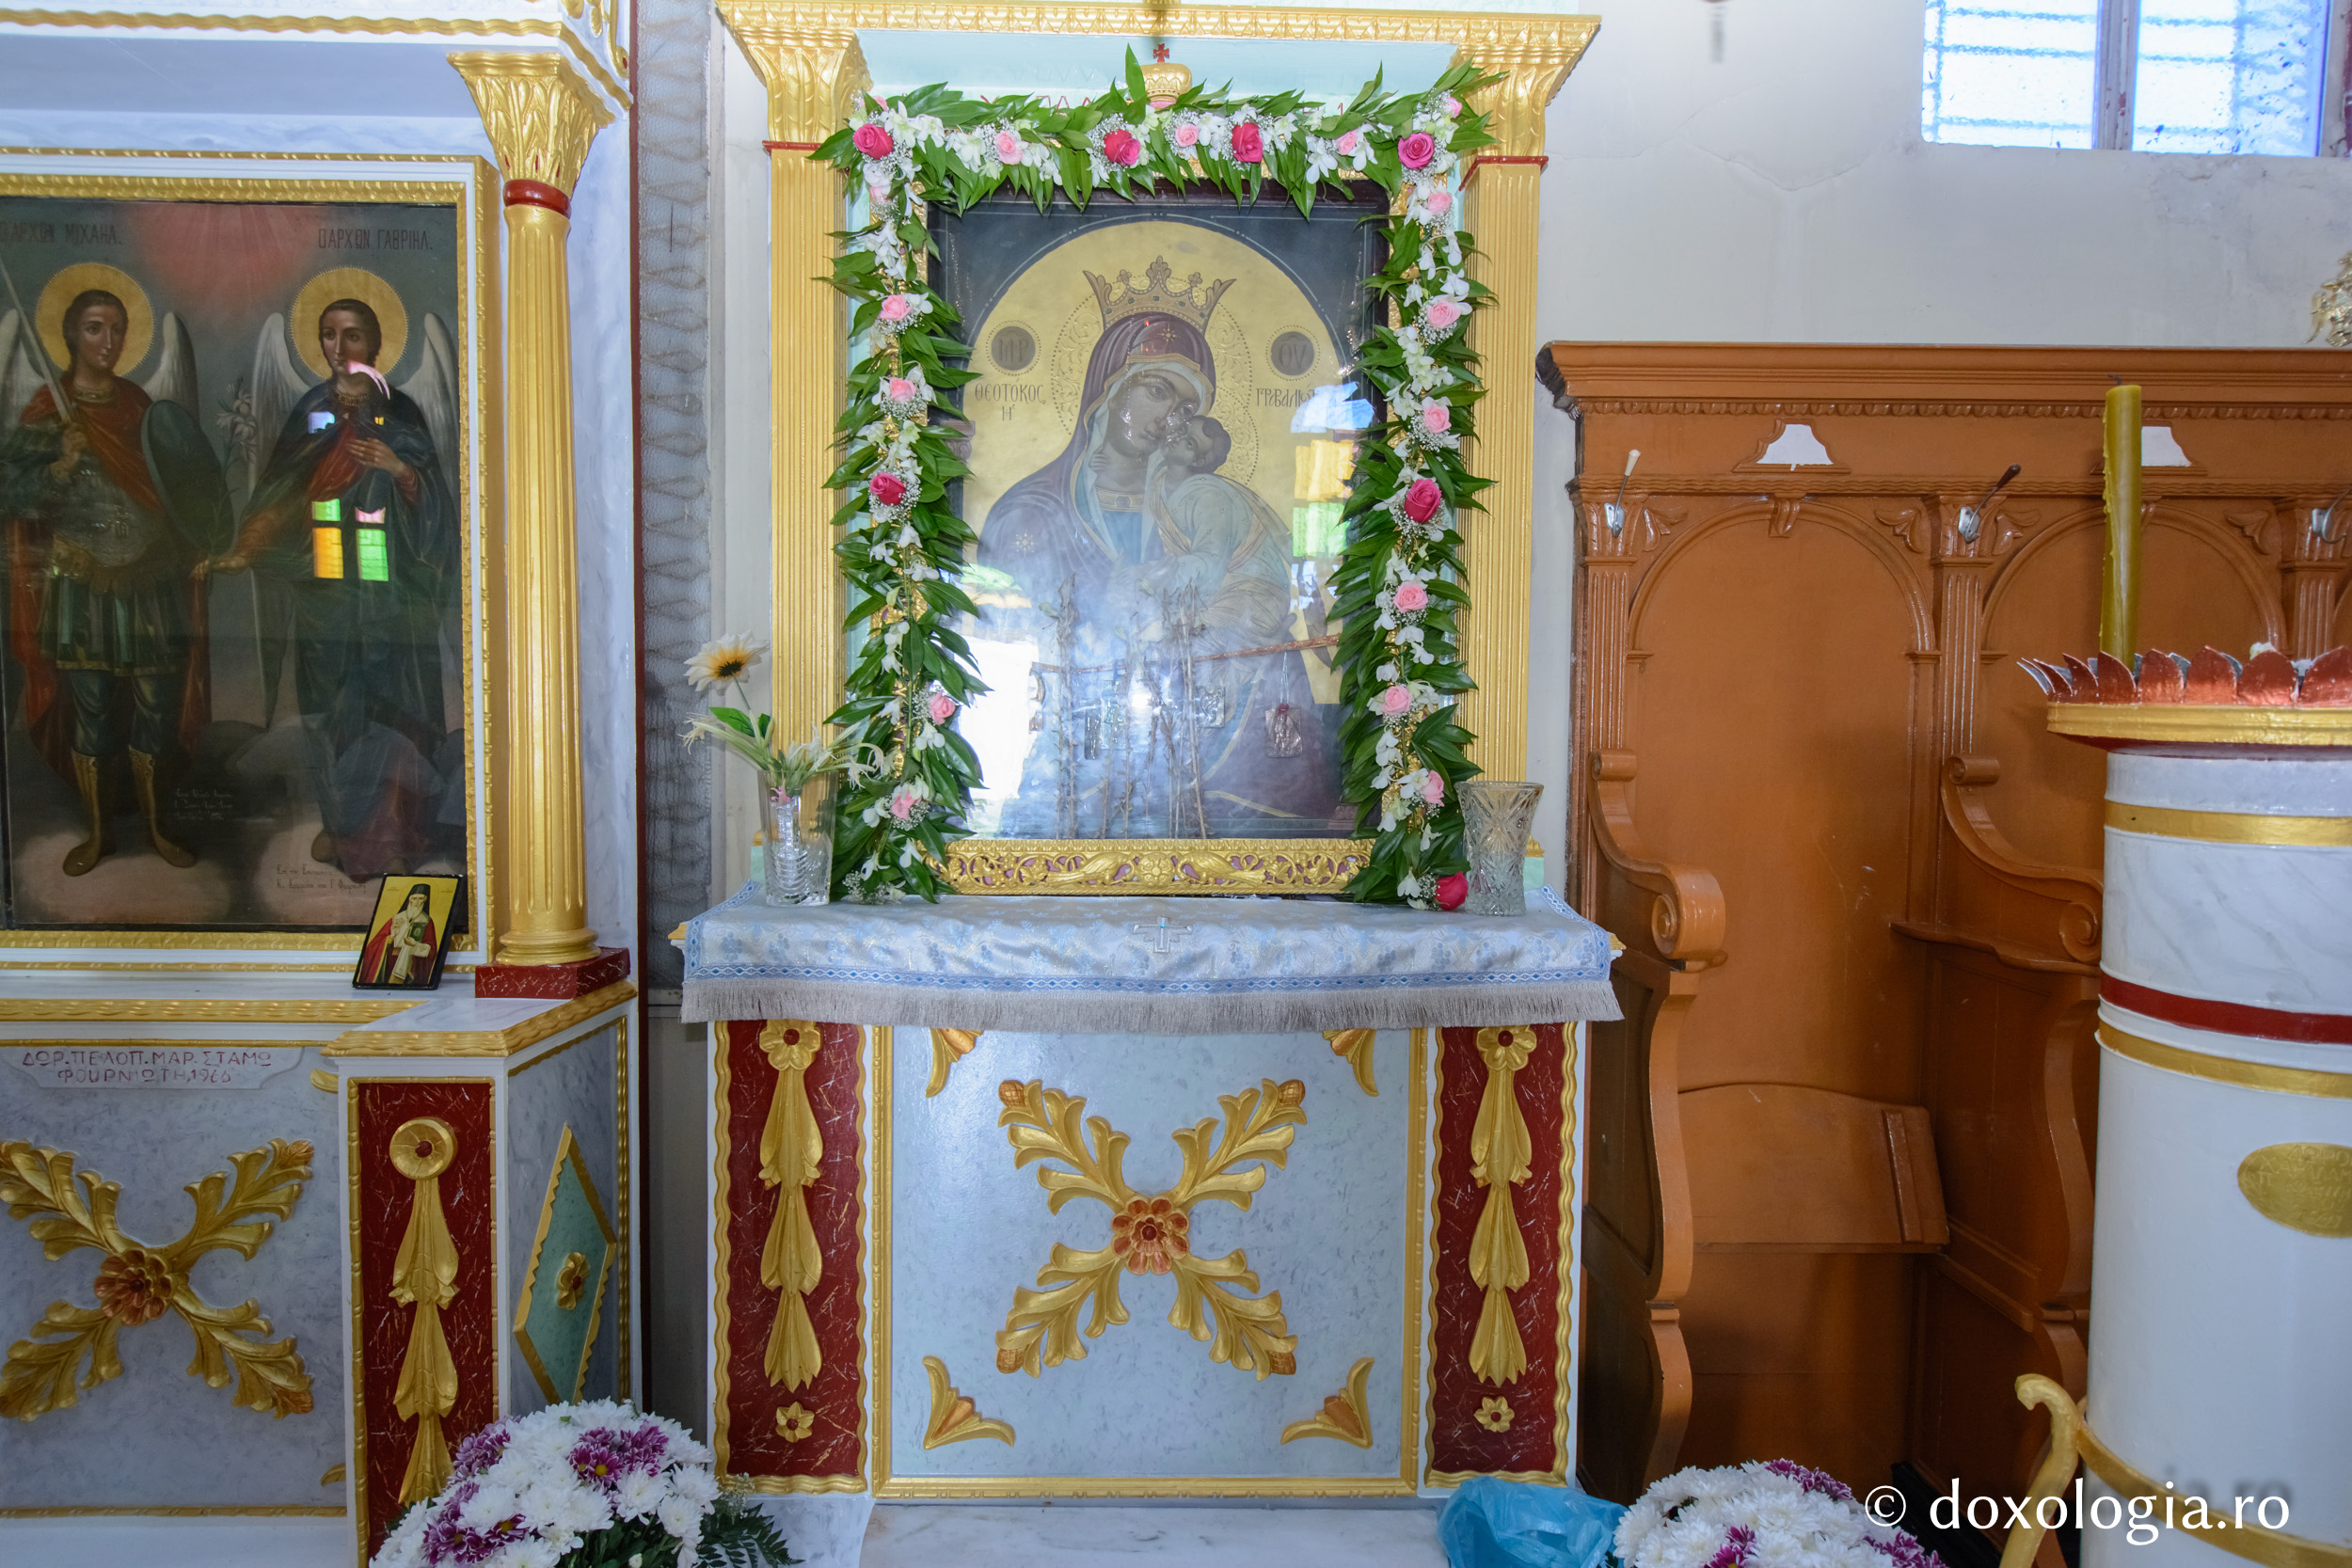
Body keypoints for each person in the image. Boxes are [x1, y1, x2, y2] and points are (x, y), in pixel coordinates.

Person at [211, 297, 457, 880]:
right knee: (329, 712)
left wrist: (399, 469)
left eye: (352, 336)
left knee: (392, 709)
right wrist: (248, 545)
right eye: (328, 335)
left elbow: (435, 505)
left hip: (387, 584)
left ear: (374, 344)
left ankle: (393, 833)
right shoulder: (311, 410)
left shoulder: (401, 411)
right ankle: (343, 824)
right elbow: (282, 489)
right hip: (324, 581)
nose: (339, 348)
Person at [0, 288, 206, 874]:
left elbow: (176, 486)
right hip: (83, 581)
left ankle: (156, 828)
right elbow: (11, 495)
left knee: (157, 707)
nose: (108, 341)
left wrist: (197, 539)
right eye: (95, 328)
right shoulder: (49, 407)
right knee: (91, 709)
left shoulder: (139, 405)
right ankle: (98, 834)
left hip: (148, 578)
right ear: (71, 334)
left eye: (116, 329)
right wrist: (61, 464)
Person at [358, 881, 438, 985]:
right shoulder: (397, 918)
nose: (417, 902)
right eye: (414, 898)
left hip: (411, 966)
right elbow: (372, 946)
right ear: (409, 899)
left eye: (421, 898)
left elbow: (432, 950)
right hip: (391, 963)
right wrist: (390, 938)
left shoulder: (427, 921)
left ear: (425, 900)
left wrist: (415, 945)